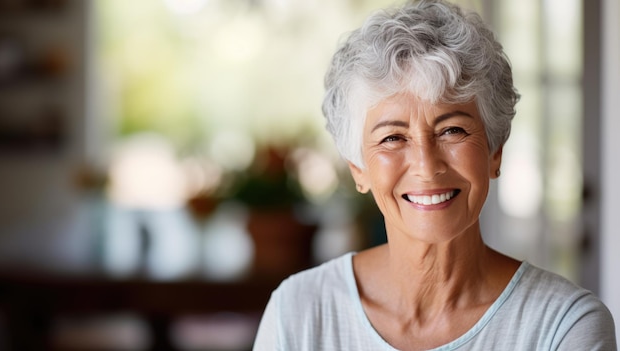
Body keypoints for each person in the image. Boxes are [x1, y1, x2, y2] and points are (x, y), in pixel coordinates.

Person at [253, 0, 617, 350]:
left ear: (495, 152)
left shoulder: (565, 325)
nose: (427, 167)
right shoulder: (297, 314)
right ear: (358, 169)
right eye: (393, 138)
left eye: (452, 130)